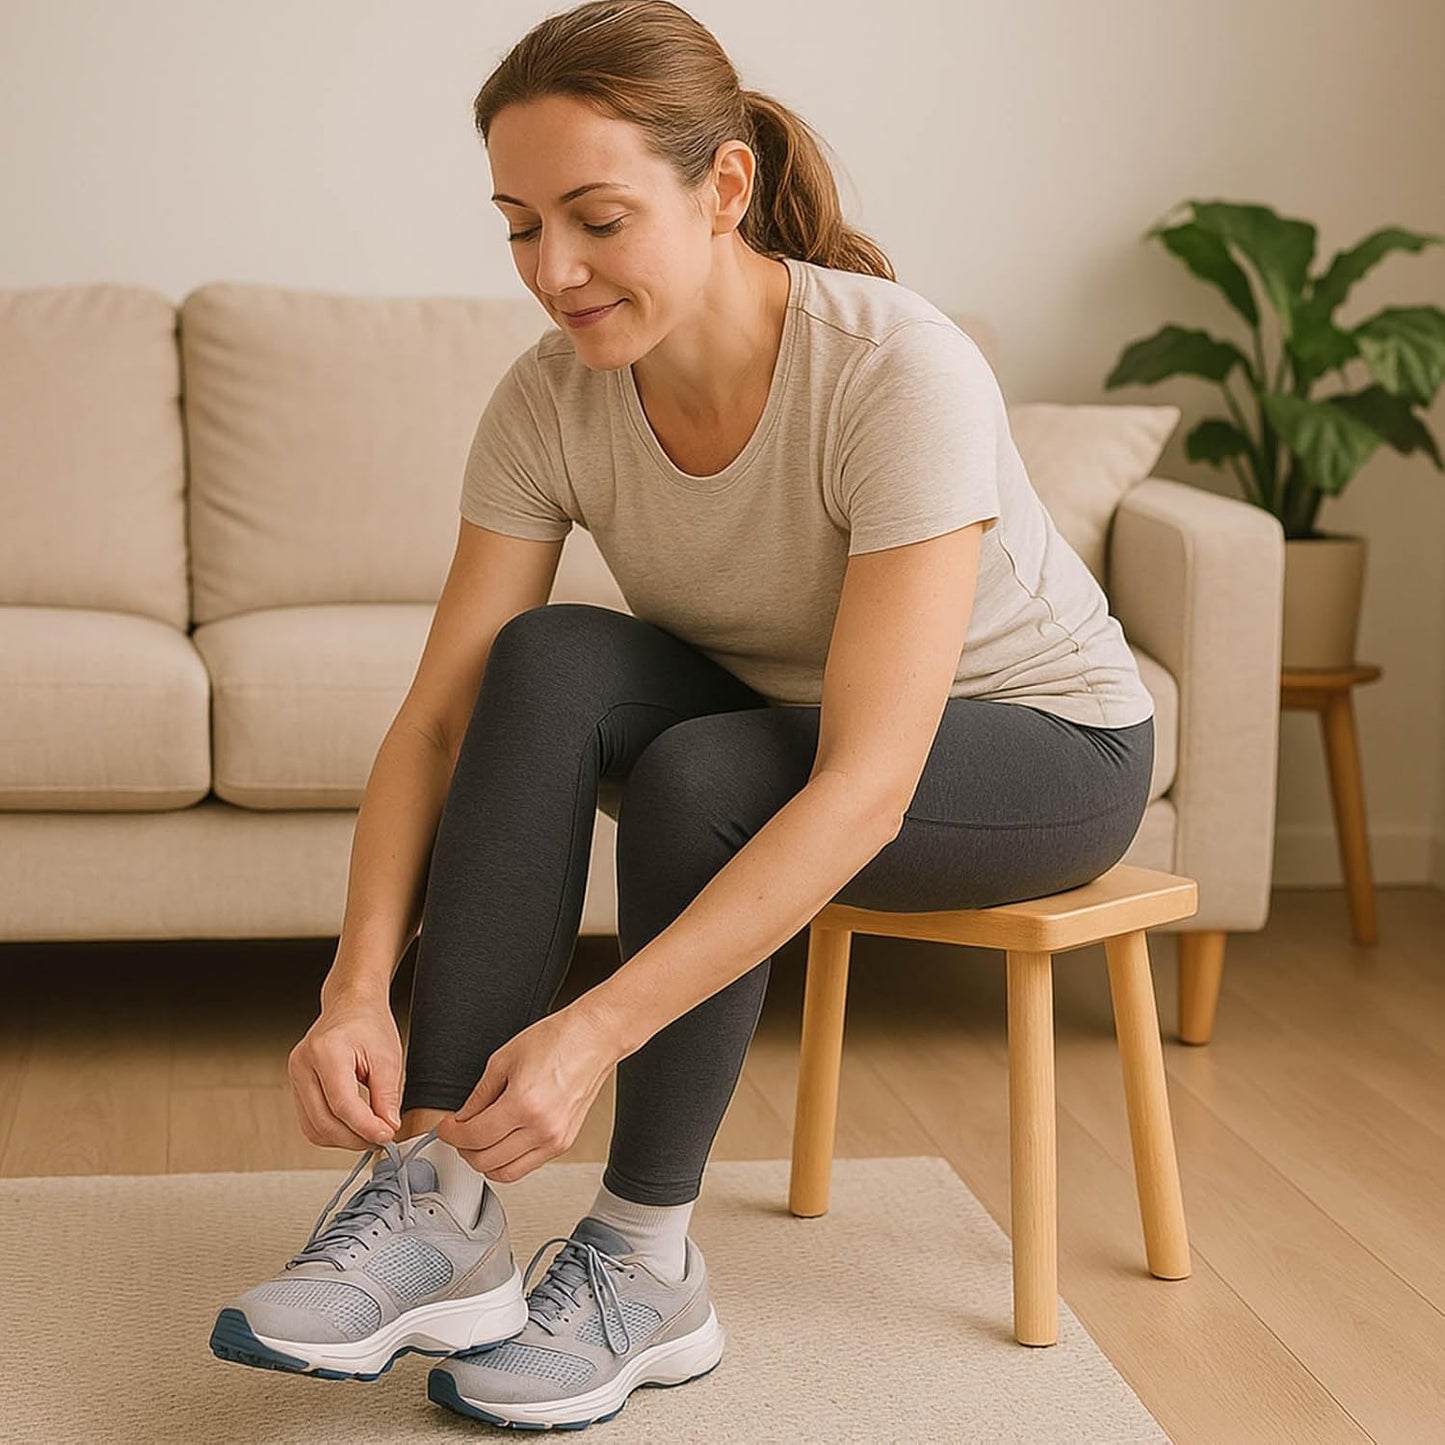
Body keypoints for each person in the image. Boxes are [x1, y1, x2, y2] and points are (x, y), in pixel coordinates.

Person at [210, 0, 1155, 1428]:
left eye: (597, 219)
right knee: (542, 658)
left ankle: (644, 1261)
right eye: (520, 227)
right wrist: (352, 988)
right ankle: (440, 1197)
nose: (555, 271)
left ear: (722, 188)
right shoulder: (550, 401)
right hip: (785, 722)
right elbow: (437, 724)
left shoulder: (896, 367)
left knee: (707, 774)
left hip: (1041, 746)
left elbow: (864, 782)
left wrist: (590, 1030)